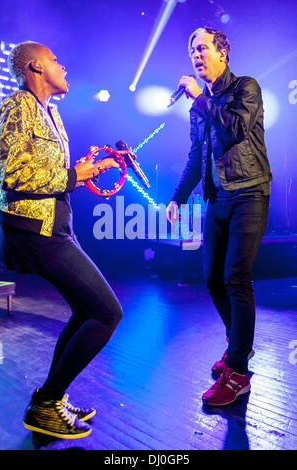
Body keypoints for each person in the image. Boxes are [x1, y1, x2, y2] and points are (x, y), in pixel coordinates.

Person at [0, 41, 124, 439]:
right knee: (107, 313)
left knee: (87, 312)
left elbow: (51, 173)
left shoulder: (49, 112)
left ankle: (51, 397)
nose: (63, 65)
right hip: (35, 233)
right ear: (35, 66)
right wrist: (74, 175)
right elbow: (12, 175)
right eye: (55, 60)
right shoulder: (16, 106)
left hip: (56, 228)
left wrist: (86, 170)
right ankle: (46, 403)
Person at [166, 28, 272, 406]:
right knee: (211, 279)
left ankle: (238, 372)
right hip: (218, 199)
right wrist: (178, 197)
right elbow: (197, 156)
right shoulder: (201, 105)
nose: (195, 55)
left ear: (222, 53)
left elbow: (232, 132)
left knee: (236, 279)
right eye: (191, 49)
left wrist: (199, 100)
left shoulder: (247, 88)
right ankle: (238, 344)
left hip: (250, 192)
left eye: (202, 48)